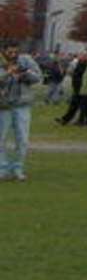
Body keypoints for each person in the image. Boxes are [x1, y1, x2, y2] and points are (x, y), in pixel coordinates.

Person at [0, 48, 38, 181]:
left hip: (22, 105)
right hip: (4, 106)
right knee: (1, 139)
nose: (12, 54)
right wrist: (7, 74)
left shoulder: (26, 61)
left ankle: (18, 168)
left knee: (22, 139)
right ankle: (2, 169)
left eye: (15, 52)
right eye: (9, 52)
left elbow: (38, 77)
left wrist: (23, 74)